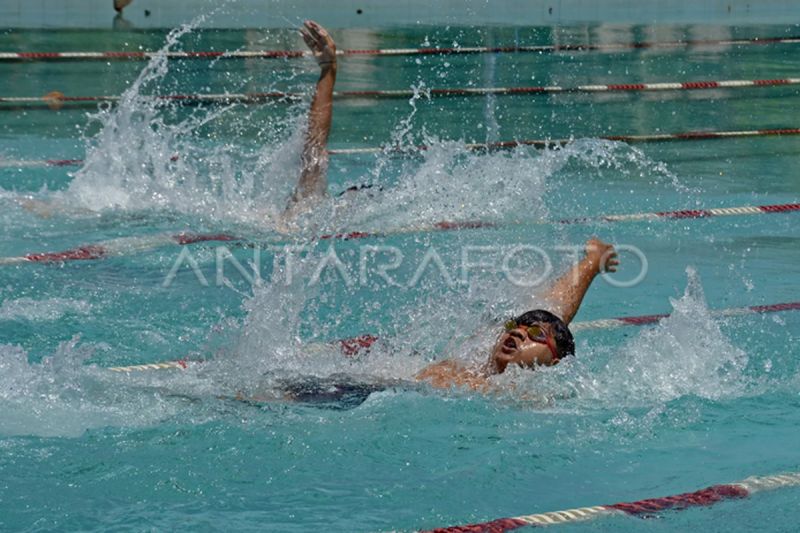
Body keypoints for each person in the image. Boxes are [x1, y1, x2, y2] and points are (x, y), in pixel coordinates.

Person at [283, 22, 621, 393]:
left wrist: (592, 264)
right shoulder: (482, 360)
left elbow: (556, 319)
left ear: (553, 361)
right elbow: (555, 310)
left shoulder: (516, 390)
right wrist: (590, 263)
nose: (518, 333)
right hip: (356, 385)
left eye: (532, 334)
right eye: (518, 328)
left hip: (361, 394)